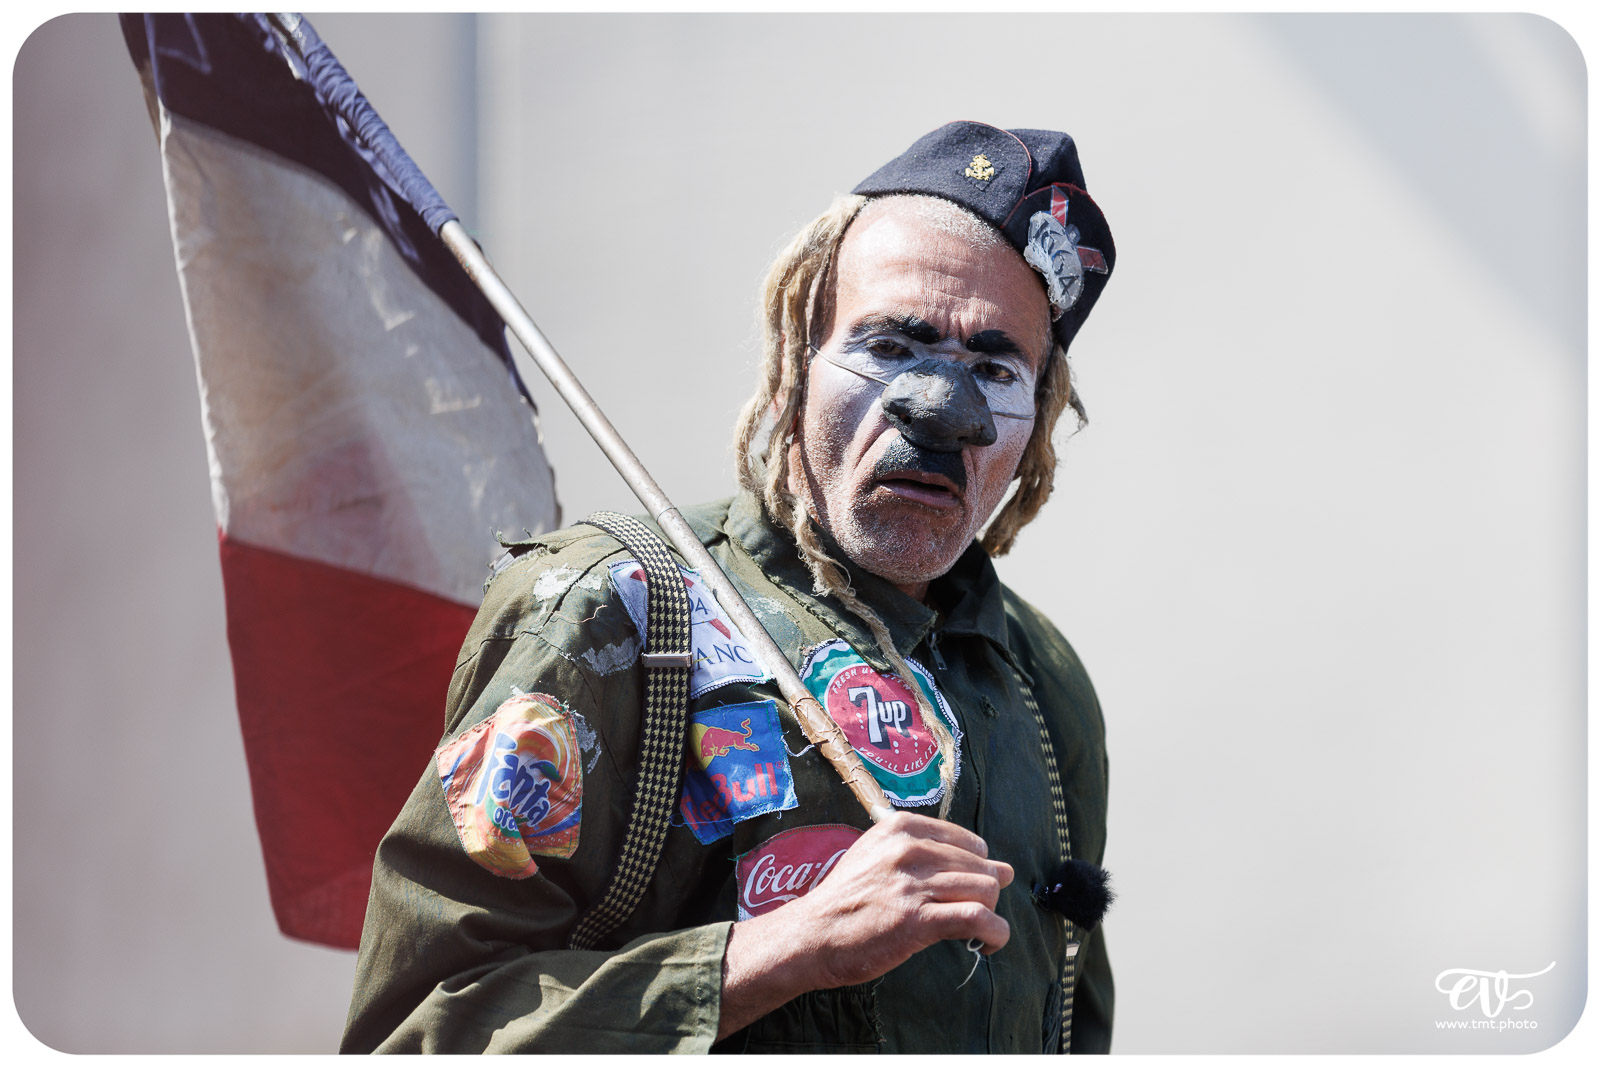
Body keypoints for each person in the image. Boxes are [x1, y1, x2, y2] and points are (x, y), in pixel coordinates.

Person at [340, 120, 1116, 1054]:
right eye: (892, 346)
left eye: (994, 369)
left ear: (1036, 421)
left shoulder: (1039, 681)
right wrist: (782, 951)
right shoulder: (608, 611)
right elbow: (422, 1036)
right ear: (796, 362)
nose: (940, 412)